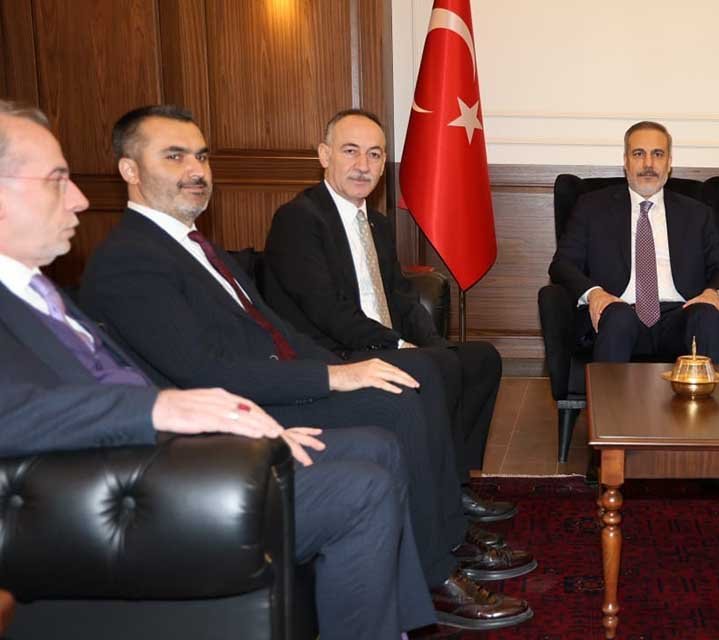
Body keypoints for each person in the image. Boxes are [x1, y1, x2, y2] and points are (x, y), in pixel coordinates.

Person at [77, 105, 532, 631]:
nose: (196, 170)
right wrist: (335, 375)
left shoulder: (196, 245)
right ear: (130, 169)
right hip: (238, 410)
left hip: (278, 379)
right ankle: (436, 572)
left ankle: (438, 543)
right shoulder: (131, 259)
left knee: (405, 384)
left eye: (201, 156)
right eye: (174, 157)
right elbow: (203, 372)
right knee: (399, 402)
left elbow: (276, 330)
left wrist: (344, 370)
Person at [0, 99, 436, 639]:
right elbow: (24, 410)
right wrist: (172, 411)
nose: (80, 198)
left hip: (167, 453)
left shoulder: (40, 292)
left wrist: (230, 422)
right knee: (362, 485)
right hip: (120, 492)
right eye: (57, 180)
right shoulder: (122, 261)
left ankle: (398, 623)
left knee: (377, 446)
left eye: (201, 156)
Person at [261, 109, 511, 524]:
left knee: (481, 359)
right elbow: (325, 309)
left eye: (375, 154)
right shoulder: (299, 219)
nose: (363, 165)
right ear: (324, 155)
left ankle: (456, 482)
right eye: (350, 151)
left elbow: (401, 296)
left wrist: (432, 344)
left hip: (380, 341)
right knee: (432, 366)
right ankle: (442, 502)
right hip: (334, 353)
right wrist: (399, 344)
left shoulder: (375, 223)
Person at [548, 120, 719, 364]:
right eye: (639, 154)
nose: (648, 164)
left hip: (680, 316)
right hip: (618, 312)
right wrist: (594, 294)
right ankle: (610, 391)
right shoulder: (591, 207)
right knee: (618, 316)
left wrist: (713, 293)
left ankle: (709, 390)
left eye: (657, 154)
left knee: (706, 314)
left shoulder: (696, 213)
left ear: (669, 162)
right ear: (626, 161)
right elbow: (562, 265)